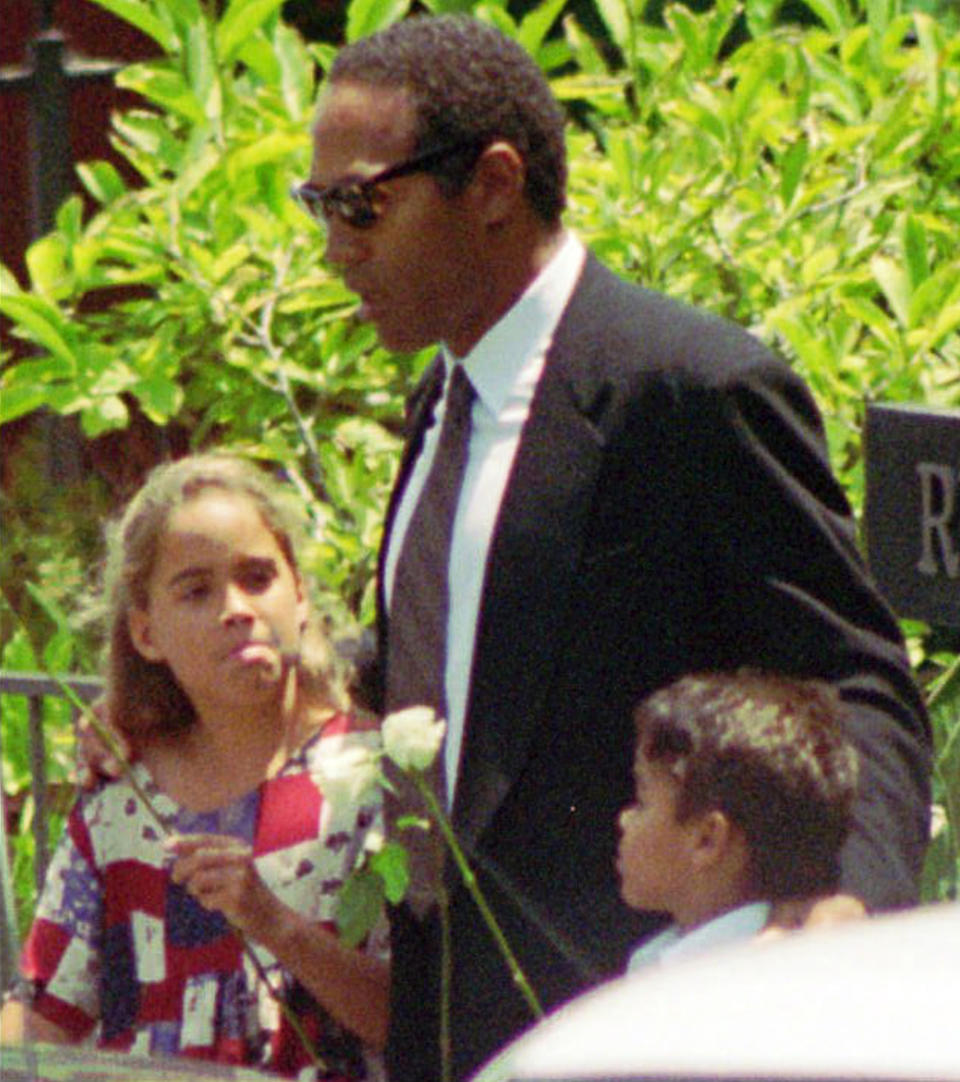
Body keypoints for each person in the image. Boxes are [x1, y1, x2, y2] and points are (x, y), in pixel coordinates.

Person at [300, 14, 931, 1081]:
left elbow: (856, 676)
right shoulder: (445, 394)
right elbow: (474, 644)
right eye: (318, 206)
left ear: (494, 182)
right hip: (447, 1028)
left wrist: (844, 908)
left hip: (631, 1020)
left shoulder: (685, 391)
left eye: (362, 201)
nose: (335, 245)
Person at [1, 454, 388, 1080]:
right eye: (197, 590)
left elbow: (413, 1012)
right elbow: (48, 1015)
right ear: (147, 633)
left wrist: (277, 926)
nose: (236, 608)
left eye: (258, 577)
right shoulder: (120, 801)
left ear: (301, 600)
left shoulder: (373, 777)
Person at [618, 670, 859, 970]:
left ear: (707, 839)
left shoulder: (736, 979)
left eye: (642, 804)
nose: (624, 820)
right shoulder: (661, 958)